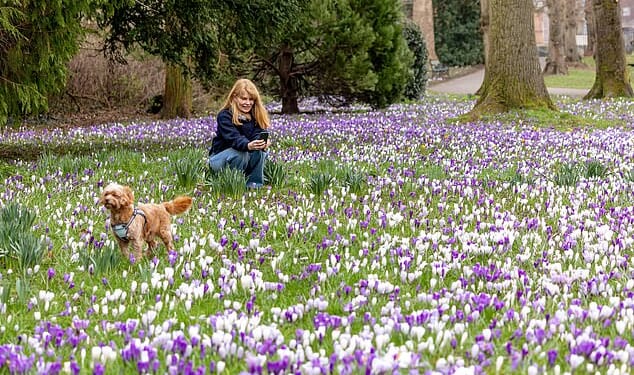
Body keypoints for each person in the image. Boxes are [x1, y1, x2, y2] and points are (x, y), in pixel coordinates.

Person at [209, 78, 271, 189]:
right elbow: (233, 138)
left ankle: (254, 185)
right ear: (234, 97)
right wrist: (248, 145)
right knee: (240, 153)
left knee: (259, 152)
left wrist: (260, 143)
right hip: (220, 159)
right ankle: (233, 185)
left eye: (251, 99)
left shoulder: (255, 115)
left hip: (244, 156)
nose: (248, 103)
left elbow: (259, 132)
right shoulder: (225, 116)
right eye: (243, 99)